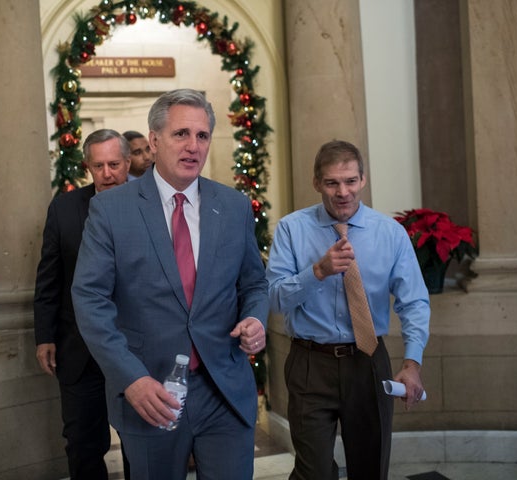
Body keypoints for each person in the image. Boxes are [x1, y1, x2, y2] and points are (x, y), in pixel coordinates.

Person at [71, 88, 269, 480]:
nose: (193, 146)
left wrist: (256, 320)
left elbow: (255, 284)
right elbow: (90, 299)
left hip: (224, 390)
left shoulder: (233, 206)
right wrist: (131, 378)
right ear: (155, 140)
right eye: (181, 134)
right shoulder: (112, 209)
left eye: (202, 135)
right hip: (151, 393)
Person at [266, 140, 431, 480]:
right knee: (313, 472)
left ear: (363, 180)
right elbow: (273, 299)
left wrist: (412, 363)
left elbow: (413, 301)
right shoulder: (291, 229)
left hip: (368, 362)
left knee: (370, 467)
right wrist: (317, 272)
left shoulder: (390, 234)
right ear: (317, 183)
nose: (343, 191)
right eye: (332, 182)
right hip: (310, 361)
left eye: (350, 181)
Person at [34, 129, 131, 480]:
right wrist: (44, 336)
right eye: (99, 165)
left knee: (142, 443)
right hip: (79, 351)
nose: (107, 173)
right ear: (87, 167)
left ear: (128, 163)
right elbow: (49, 278)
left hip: (138, 350)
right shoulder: (64, 209)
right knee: (83, 444)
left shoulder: (154, 204)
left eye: (115, 165)